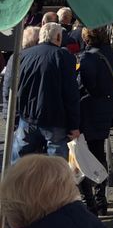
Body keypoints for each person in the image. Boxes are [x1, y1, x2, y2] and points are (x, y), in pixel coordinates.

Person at [12, 22, 80, 162]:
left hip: (27, 118)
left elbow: (14, 87)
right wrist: (74, 125)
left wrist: (16, 116)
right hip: (54, 120)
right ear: (58, 37)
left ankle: (14, 183)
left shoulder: (24, 55)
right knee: (56, 166)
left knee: (19, 162)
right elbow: (71, 94)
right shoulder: (64, 57)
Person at [77, 27, 113, 216]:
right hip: (106, 107)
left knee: (83, 156)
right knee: (99, 153)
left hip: (89, 110)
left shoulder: (88, 58)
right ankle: (102, 199)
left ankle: (91, 202)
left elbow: (87, 85)